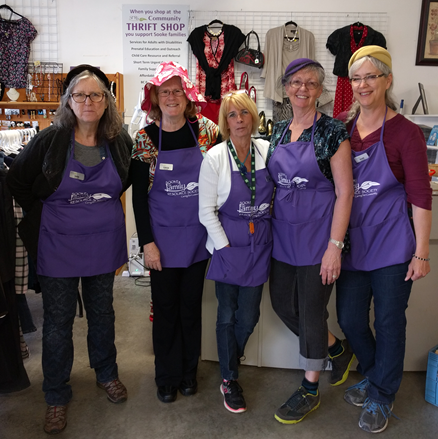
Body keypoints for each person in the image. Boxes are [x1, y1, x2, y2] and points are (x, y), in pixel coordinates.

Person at [6, 65, 132, 434]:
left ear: (107, 101)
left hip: (103, 243)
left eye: (96, 95)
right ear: (69, 101)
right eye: (80, 95)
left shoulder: (118, 140)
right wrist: (43, 212)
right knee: (58, 323)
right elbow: (17, 179)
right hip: (57, 244)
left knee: (103, 314)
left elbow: (123, 180)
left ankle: (106, 374)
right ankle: (56, 395)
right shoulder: (50, 139)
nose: (88, 101)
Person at [336, 46, 432, 434]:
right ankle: (376, 373)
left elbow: (421, 196)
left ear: (387, 80)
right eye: (356, 78)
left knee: (390, 322)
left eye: (371, 76)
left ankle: (382, 392)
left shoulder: (406, 133)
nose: (362, 85)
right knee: (350, 318)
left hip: (393, 246)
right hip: (353, 245)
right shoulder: (342, 129)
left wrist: (422, 252)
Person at [266, 58, 354, 424]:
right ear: (286, 87)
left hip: (319, 239)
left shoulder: (334, 132)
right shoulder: (279, 131)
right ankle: (335, 348)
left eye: (311, 84)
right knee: (283, 305)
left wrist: (334, 247)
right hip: (282, 236)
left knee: (313, 313)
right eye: (296, 83)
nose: (303, 89)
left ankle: (309, 388)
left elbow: (345, 192)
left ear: (320, 90)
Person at [130, 61, 220, 403]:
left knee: (190, 308)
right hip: (162, 242)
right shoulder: (145, 138)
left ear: (187, 96)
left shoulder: (207, 132)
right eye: (164, 91)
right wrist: (147, 244)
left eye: (177, 90)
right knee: (165, 309)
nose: (171, 97)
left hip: (198, 238)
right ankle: (165, 377)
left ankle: (188, 373)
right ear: (155, 98)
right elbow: (139, 197)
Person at [198, 90, 274, 413]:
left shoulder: (268, 151)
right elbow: (205, 212)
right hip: (228, 247)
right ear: (225, 121)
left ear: (253, 116)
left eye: (244, 113)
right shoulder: (215, 158)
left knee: (250, 315)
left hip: (259, 248)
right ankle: (230, 378)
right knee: (226, 315)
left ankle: (231, 357)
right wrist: (225, 248)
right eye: (232, 115)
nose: (239, 120)